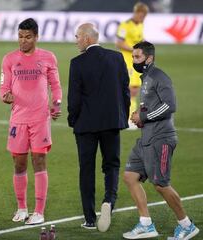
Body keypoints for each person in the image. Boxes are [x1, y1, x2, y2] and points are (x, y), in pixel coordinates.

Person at [122, 41, 200, 240]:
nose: (134, 60)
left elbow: (170, 105)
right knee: (130, 176)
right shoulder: (146, 78)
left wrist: (144, 117)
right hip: (146, 138)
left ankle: (186, 225)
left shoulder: (159, 76)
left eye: (137, 57)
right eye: (133, 57)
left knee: (160, 184)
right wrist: (140, 115)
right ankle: (146, 224)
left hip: (161, 138)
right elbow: (153, 106)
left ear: (149, 58)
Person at [67, 23, 130, 232]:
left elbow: (74, 97)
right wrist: (122, 116)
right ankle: (109, 202)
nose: (76, 40)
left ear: (86, 38)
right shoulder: (116, 58)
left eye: (77, 37)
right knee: (111, 166)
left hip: (86, 125)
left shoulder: (77, 63)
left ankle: (89, 218)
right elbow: (125, 90)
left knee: (86, 170)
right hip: (112, 122)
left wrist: (72, 119)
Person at [0, 18, 62, 225]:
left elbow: (56, 85)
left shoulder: (47, 57)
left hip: (40, 118)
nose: (23, 41)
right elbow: (3, 88)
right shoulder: (9, 59)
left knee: (39, 161)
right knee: (19, 163)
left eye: (27, 37)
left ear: (36, 37)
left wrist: (57, 103)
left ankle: (39, 211)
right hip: (18, 118)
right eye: (20, 36)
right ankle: (22, 208)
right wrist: (5, 96)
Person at [116, 2, 149, 129]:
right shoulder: (125, 25)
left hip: (136, 61)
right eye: (141, 16)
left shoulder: (140, 24)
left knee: (134, 89)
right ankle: (129, 118)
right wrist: (134, 50)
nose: (142, 18)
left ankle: (130, 117)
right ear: (135, 13)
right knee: (130, 89)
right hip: (127, 60)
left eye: (144, 17)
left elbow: (140, 38)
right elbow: (119, 43)